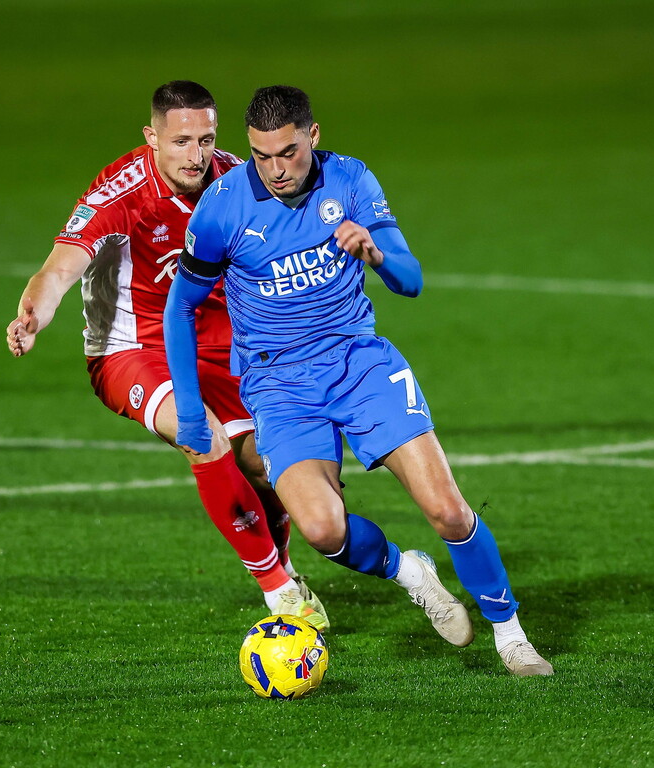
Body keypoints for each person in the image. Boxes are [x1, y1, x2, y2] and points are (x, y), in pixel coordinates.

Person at [164, 85, 552, 676]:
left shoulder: (349, 181)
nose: (275, 169)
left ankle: (511, 634)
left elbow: (411, 281)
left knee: (449, 512)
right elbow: (180, 309)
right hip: (279, 387)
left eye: (288, 153)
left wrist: (375, 254)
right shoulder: (221, 208)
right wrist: (191, 410)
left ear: (312, 136)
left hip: (359, 365)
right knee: (322, 531)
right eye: (262, 156)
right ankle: (409, 571)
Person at [6, 81, 328, 630]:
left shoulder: (234, 178)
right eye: (180, 142)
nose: (195, 155)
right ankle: (279, 593)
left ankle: (285, 568)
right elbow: (58, 268)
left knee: (267, 465)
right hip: (130, 350)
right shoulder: (120, 194)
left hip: (219, 346)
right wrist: (33, 312)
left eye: (205, 139)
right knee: (200, 433)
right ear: (152, 137)